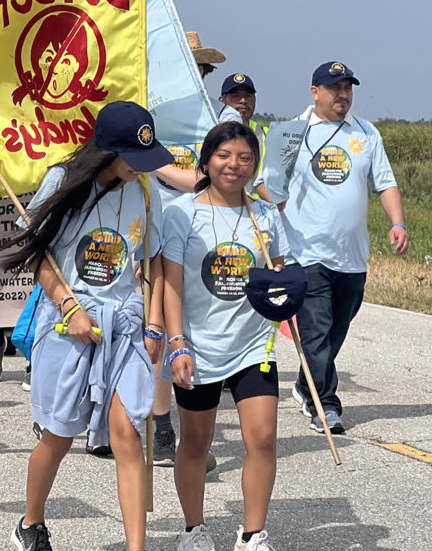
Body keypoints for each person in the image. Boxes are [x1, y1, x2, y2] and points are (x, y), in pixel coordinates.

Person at [0, 101, 170, 551]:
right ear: (107, 152)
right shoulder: (61, 181)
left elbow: (152, 256)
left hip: (123, 325)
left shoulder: (145, 190)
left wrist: (154, 322)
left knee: (128, 433)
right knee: (58, 436)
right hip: (67, 324)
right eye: (134, 158)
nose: (142, 169)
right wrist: (70, 308)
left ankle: (137, 547)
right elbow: (39, 254)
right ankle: (31, 523)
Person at [162, 122, 288, 551]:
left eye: (245, 158)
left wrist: (287, 292)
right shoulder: (181, 213)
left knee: (264, 438)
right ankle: (194, 530)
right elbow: (172, 285)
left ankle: (253, 534)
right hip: (198, 346)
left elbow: (280, 273)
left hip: (254, 343)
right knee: (196, 440)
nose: (234, 165)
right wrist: (176, 343)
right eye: (224, 156)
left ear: (254, 165)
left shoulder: (266, 215)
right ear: (207, 160)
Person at [264, 61, 407, 433]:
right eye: (334, 88)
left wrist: (397, 222)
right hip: (306, 251)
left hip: (352, 255)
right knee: (316, 329)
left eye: (348, 88)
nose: (342, 94)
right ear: (315, 92)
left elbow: (385, 183)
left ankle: (303, 383)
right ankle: (324, 403)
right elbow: (266, 185)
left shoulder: (366, 133)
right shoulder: (293, 133)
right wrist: (273, 199)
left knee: (336, 328)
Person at [150, 31, 226, 469]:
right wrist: (199, 181)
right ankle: (162, 428)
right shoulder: (154, 114)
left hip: (204, 231)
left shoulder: (212, 119)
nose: (197, 74)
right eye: (192, 65)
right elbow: (156, 165)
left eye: (203, 68)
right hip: (160, 230)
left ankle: (191, 433)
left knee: (194, 327)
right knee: (160, 325)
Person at [218, 73, 267, 194]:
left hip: (255, 208)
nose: (243, 101)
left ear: (254, 100)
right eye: (236, 96)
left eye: (248, 96)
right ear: (221, 101)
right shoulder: (209, 134)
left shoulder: (267, 135)